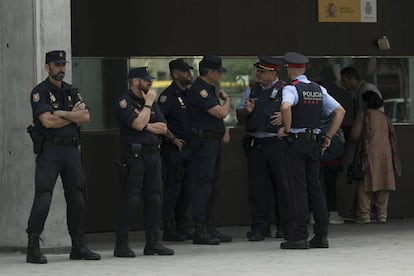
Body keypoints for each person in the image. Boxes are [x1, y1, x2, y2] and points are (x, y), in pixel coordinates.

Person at [26, 50, 101, 264]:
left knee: (77, 197)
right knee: (44, 195)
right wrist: (71, 115)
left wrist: (61, 113)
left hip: (71, 150)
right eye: (56, 65)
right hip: (50, 150)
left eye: (63, 64)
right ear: (47, 66)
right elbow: (47, 122)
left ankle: (78, 245)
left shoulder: (72, 90)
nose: (61, 68)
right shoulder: (39, 92)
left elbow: (85, 116)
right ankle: (33, 244)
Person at [277, 52, 345, 249]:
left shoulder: (291, 88)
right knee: (315, 188)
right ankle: (321, 235)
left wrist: (287, 129)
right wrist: (329, 137)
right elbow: (340, 111)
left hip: (296, 142)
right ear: (304, 69)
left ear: (290, 69)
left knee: (298, 188)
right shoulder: (318, 89)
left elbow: (285, 107)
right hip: (315, 143)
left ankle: (299, 236)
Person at [113, 67, 174, 257]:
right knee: (130, 199)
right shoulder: (125, 102)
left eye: (150, 80)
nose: (150, 83)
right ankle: (121, 244)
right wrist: (147, 107)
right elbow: (137, 125)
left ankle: (153, 242)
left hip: (153, 155)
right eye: (146, 80)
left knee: (155, 198)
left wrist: (145, 123)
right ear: (134, 81)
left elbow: (163, 127)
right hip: (134, 156)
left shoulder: (150, 100)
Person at [237, 56, 289, 241]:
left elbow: (299, 112)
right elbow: (240, 114)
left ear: (273, 72)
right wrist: (247, 111)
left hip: (277, 144)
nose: (258, 74)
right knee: (257, 188)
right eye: (258, 71)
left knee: (282, 186)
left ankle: (285, 226)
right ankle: (260, 227)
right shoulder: (252, 90)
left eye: (262, 71)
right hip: (256, 144)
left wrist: (286, 121)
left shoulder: (285, 90)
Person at [186, 55, 232, 245]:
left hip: (213, 142)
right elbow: (220, 112)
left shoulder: (209, 89)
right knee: (203, 185)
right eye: (219, 72)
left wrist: (223, 131)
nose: (220, 75)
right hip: (203, 144)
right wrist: (228, 100)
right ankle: (200, 228)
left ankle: (209, 225)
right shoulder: (199, 90)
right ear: (211, 72)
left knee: (212, 185)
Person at [350, 91, 401, 223]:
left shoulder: (363, 115)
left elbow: (355, 135)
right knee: (383, 182)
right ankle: (382, 215)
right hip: (386, 153)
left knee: (364, 183)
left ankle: (365, 215)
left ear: (365, 102)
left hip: (368, 153)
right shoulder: (384, 116)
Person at [157, 58, 195, 241]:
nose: (189, 74)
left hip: (190, 148)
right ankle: (169, 227)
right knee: (173, 189)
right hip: (174, 150)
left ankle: (182, 224)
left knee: (187, 189)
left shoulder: (189, 94)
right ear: (175, 74)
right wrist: (172, 138)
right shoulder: (168, 96)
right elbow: (159, 120)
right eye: (185, 71)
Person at [340, 66, 384, 222]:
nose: (343, 85)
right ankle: (380, 214)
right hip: (383, 148)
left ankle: (363, 213)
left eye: (345, 81)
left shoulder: (364, 110)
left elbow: (355, 134)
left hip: (367, 144)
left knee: (363, 179)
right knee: (382, 179)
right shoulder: (383, 119)